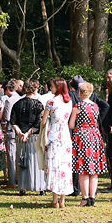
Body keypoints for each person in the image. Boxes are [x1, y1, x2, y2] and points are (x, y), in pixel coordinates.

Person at [68, 81, 106, 206]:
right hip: (95, 136)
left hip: (82, 137)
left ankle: (84, 198)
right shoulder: (95, 106)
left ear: (80, 93)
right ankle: (92, 197)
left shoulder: (77, 107)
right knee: (93, 169)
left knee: (83, 169)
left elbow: (71, 125)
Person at [10, 79, 45, 195]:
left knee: (22, 161)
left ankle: (23, 187)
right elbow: (38, 123)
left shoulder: (17, 104)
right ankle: (40, 187)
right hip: (33, 137)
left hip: (21, 137)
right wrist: (28, 133)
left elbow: (13, 121)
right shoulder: (39, 105)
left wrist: (20, 133)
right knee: (36, 161)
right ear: (35, 89)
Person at [42, 79, 73, 208]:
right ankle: (62, 200)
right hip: (65, 134)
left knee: (54, 165)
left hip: (54, 133)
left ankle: (54, 200)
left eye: (53, 86)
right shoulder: (69, 101)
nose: (51, 88)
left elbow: (43, 121)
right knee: (65, 165)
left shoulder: (51, 101)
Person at [1, 80, 23, 188]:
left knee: (11, 156)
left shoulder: (9, 101)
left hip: (12, 130)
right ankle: (19, 178)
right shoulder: (21, 98)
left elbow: (7, 117)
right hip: (21, 130)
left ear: (8, 89)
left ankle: (12, 181)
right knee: (19, 155)